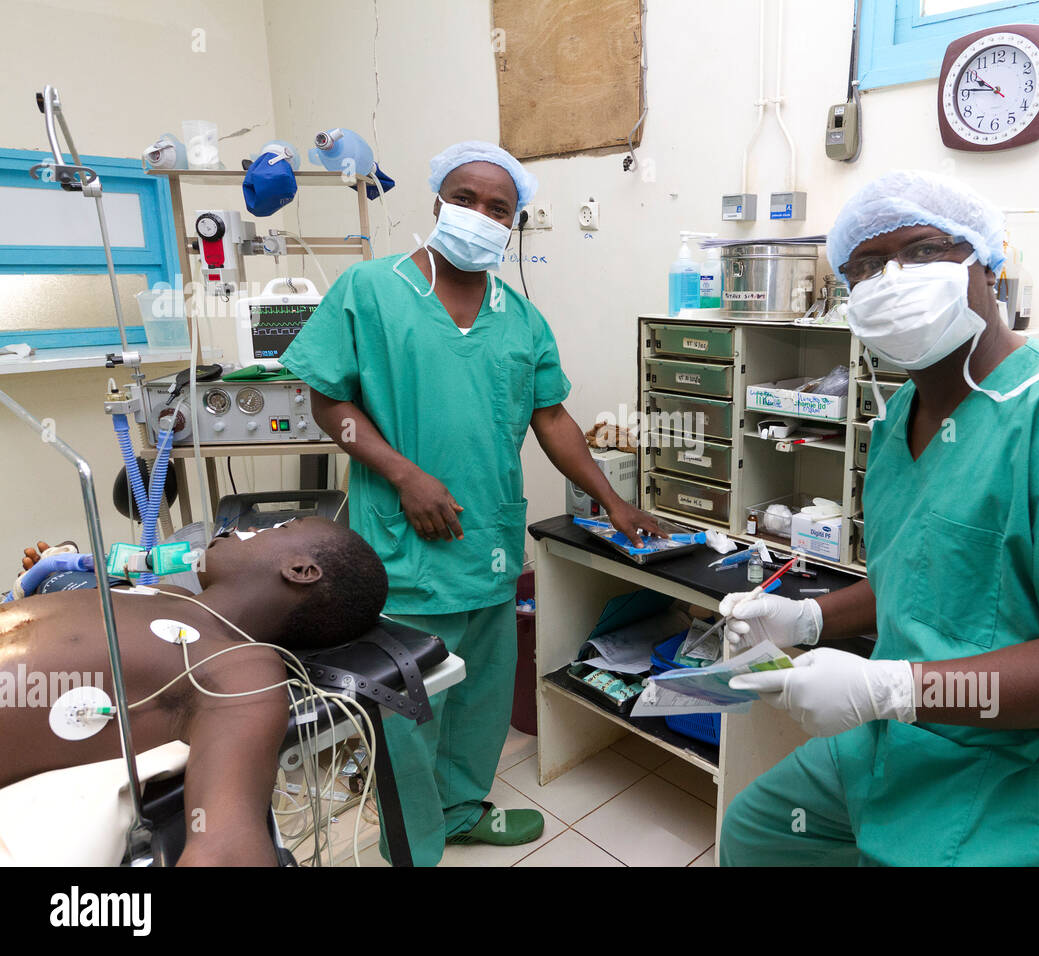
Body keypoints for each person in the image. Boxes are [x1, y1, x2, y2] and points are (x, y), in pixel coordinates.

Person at [718, 170, 1039, 866]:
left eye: (925, 251)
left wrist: (893, 687)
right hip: (909, 737)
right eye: (867, 268)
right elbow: (930, 569)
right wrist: (808, 620)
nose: (893, 280)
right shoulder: (901, 417)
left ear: (986, 265)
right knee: (757, 830)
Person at [280, 140, 665, 864]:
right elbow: (326, 399)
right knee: (408, 711)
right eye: (465, 198)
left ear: (514, 224)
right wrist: (402, 473)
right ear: (436, 204)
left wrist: (612, 499)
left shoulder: (520, 320)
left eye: (499, 207)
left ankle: (459, 812)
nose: (480, 215)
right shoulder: (370, 290)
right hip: (402, 550)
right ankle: (414, 844)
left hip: (486, 544)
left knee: (481, 704)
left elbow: (551, 418)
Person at [0, 518, 388, 865]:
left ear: (300, 571)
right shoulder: (168, 595)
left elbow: (227, 845)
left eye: (277, 528)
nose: (234, 528)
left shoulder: (240, 664)